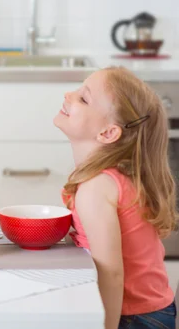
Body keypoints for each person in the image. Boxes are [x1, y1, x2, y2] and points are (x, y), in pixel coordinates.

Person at [54, 66, 177, 329]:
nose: (68, 94)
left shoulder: (96, 187)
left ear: (108, 133)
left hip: (131, 316)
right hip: (152, 309)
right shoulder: (111, 177)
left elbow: (111, 275)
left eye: (83, 98)